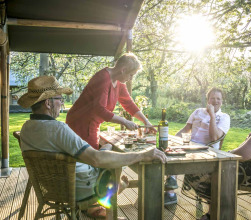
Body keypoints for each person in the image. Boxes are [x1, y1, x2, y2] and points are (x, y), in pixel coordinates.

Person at [18, 76, 167, 220]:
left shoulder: (26, 129)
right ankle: (112, 193)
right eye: (59, 99)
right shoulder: (58, 129)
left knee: (106, 149)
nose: (62, 103)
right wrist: (142, 155)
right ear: (48, 104)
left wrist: (104, 149)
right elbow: (96, 159)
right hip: (81, 189)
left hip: (52, 188)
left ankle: (113, 188)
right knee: (111, 160)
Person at [182, 84, 251, 220]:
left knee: (196, 170)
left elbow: (245, 154)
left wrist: (223, 155)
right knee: (205, 168)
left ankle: (216, 213)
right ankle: (214, 213)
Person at [66, 53, 156, 150]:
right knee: (89, 158)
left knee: (93, 157)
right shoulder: (103, 78)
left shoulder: (119, 83)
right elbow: (100, 110)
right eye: (131, 75)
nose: (131, 79)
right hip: (80, 123)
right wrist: (125, 122)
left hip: (93, 124)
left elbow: (129, 104)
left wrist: (146, 121)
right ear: (123, 70)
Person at [164, 87, 230, 206]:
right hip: (189, 146)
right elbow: (186, 129)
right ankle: (171, 192)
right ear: (207, 100)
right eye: (212, 98)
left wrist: (212, 115)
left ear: (222, 101)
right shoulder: (197, 111)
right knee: (168, 152)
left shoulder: (224, 117)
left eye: (218, 99)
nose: (215, 101)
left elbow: (214, 137)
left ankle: (170, 188)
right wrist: (171, 140)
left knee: (175, 156)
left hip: (207, 150)